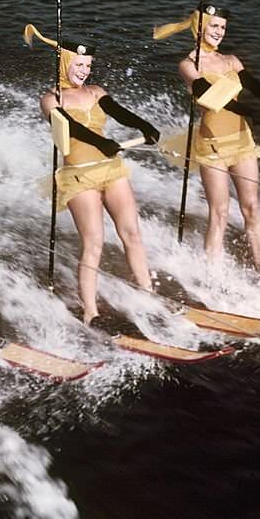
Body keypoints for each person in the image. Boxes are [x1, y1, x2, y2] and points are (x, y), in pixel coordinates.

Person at [24, 24, 160, 326]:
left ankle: (148, 295)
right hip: (79, 177)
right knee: (94, 242)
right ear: (64, 62)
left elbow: (119, 111)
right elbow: (69, 126)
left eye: (88, 66)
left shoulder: (97, 92)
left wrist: (144, 126)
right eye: (79, 64)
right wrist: (101, 142)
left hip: (111, 169)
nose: (84, 71)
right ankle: (90, 312)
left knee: (132, 234)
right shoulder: (50, 99)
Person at [154, 3, 260, 276]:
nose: (219, 32)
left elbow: (255, 85)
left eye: (223, 27)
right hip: (213, 146)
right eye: (214, 26)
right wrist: (251, 111)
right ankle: (213, 277)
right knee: (219, 212)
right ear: (199, 28)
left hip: (242, 141)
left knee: (252, 208)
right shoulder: (188, 66)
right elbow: (212, 97)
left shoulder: (231, 61)